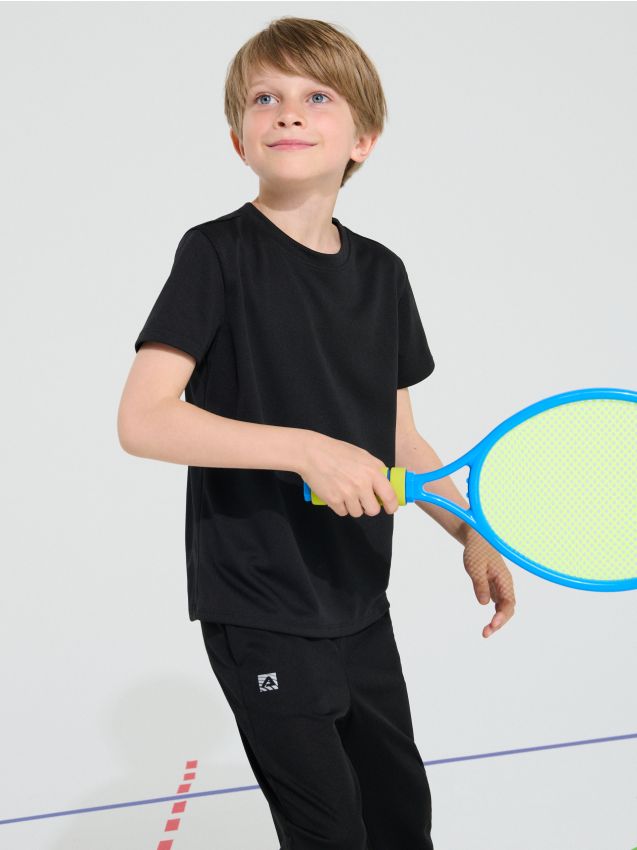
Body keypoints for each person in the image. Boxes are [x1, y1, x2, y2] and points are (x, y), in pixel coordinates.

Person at [117, 16, 516, 850]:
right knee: (328, 833)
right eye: (264, 98)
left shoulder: (382, 274)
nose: (288, 112)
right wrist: (303, 449)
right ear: (239, 141)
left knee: (399, 824)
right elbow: (143, 419)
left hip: (358, 600)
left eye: (316, 96)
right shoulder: (214, 255)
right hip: (259, 602)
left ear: (362, 140)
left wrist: (468, 532)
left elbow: (399, 438)